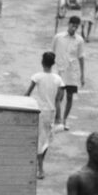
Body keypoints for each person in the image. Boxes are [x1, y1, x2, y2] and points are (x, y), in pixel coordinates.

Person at [25, 51, 65, 180]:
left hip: (39, 110)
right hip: (51, 112)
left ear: (42, 62)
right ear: (53, 63)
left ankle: (39, 167)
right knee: (45, 139)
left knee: (39, 139)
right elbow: (59, 100)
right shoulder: (58, 79)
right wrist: (59, 117)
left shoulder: (37, 77)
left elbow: (27, 94)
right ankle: (40, 167)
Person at [51, 16, 85, 130]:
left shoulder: (79, 40)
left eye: (76, 26)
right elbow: (52, 53)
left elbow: (81, 57)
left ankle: (64, 120)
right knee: (58, 96)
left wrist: (82, 75)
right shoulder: (58, 37)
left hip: (71, 72)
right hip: (59, 70)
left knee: (69, 97)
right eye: (72, 25)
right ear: (68, 24)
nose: (74, 28)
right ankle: (57, 119)